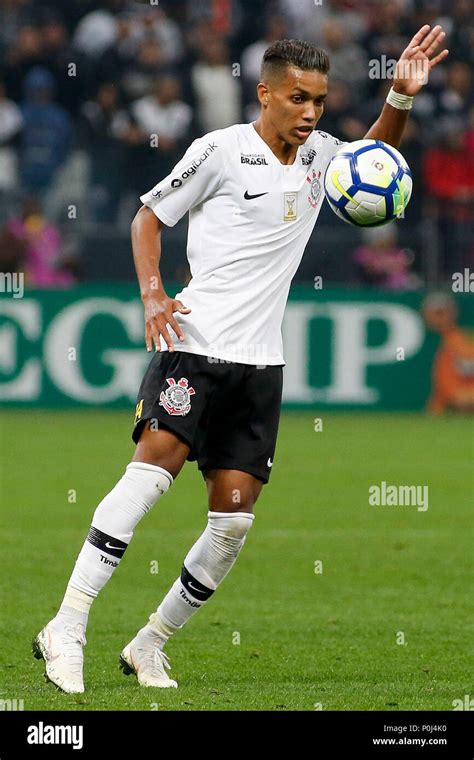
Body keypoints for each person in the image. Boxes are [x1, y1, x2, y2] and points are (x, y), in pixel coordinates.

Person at [33, 27, 449, 694]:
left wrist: (400, 92)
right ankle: (68, 626)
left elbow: (373, 158)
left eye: (318, 99)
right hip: (192, 345)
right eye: (297, 98)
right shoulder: (220, 151)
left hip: (261, 362)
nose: (311, 112)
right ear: (265, 94)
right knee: (151, 475)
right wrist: (152, 294)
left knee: (232, 520)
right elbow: (148, 218)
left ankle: (150, 643)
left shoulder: (319, 157)